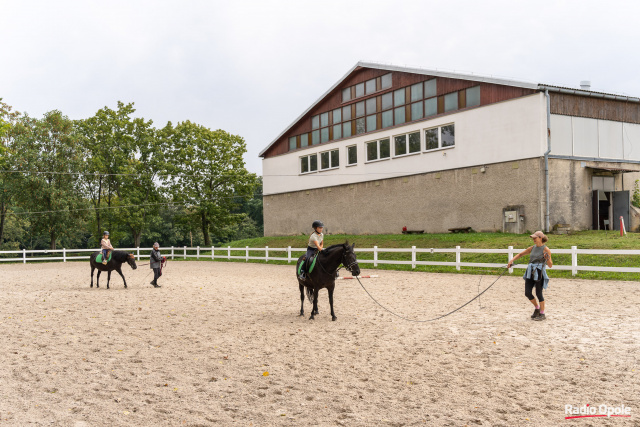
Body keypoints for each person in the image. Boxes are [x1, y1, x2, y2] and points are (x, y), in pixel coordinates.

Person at [508, 231, 553, 321]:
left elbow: (550, 265)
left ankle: (542, 314)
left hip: (539, 272)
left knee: (539, 293)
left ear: (540, 238)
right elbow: (521, 254)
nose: (533, 239)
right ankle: (537, 308)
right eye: (533, 238)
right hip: (530, 271)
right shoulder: (532, 248)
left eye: (535, 238)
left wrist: (547, 258)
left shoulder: (546, 249)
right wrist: (511, 261)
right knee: (527, 292)